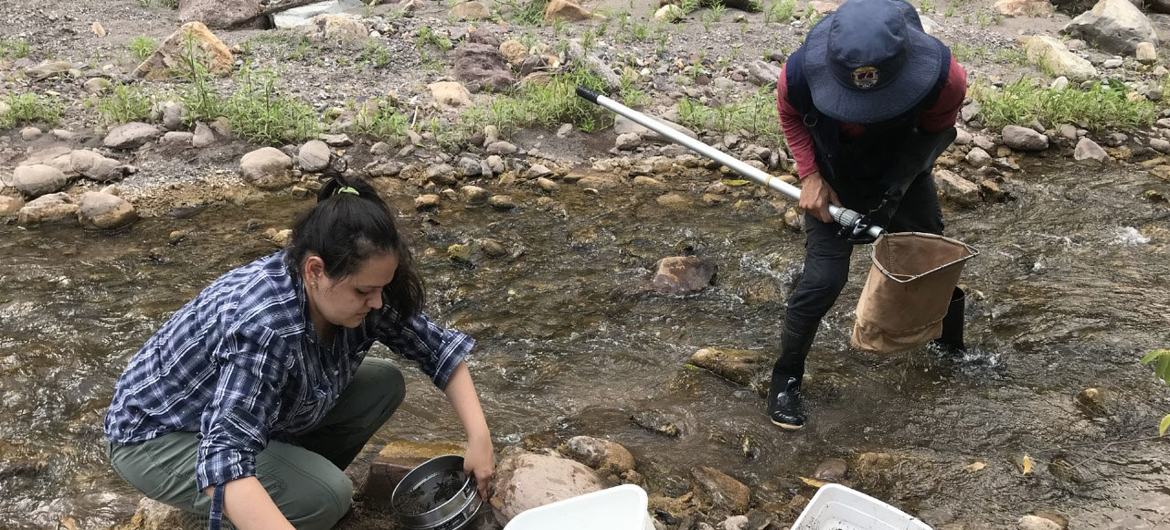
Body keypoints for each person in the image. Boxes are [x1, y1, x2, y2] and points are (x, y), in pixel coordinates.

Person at [103, 177, 494, 529]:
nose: (377, 303)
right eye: (363, 292)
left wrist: (479, 438)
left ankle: (286, 487)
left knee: (383, 383)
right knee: (329, 498)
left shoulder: (363, 289)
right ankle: (284, 500)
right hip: (155, 434)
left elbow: (437, 351)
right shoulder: (265, 325)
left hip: (230, 418)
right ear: (314, 270)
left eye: (382, 287)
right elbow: (223, 457)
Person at [768, 0, 969, 430]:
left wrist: (892, 195)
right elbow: (790, 116)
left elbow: (935, 134)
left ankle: (951, 351)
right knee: (823, 280)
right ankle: (785, 378)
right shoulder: (800, 73)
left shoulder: (943, 79)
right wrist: (809, 176)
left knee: (933, 260)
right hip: (832, 176)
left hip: (903, 169)